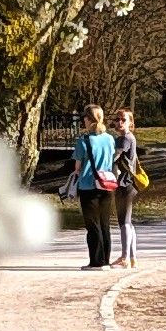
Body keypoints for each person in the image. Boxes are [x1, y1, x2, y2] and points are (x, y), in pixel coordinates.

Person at [64, 100, 117, 268]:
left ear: (89, 119)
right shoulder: (109, 139)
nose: (83, 121)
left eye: (84, 118)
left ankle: (96, 261)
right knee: (104, 224)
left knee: (92, 225)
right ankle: (106, 259)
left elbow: (77, 166)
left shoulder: (84, 141)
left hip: (88, 185)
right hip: (106, 184)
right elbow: (112, 158)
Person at [110, 111, 145, 265]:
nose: (119, 122)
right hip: (128, 183)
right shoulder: (127, 138)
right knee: (128, 222)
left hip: (125, 183)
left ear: (131, 123)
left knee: (123, 221)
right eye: (117, 119)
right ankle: (132, 258)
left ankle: (125, 257)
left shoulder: (125, 139)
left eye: (123, 120)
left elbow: (114, 156)